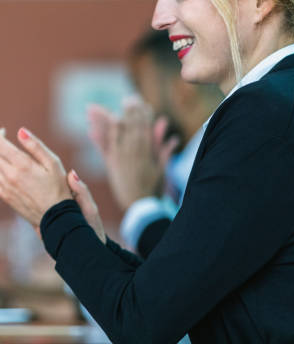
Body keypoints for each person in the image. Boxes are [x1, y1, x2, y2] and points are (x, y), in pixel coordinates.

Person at [0, 0, 294, 340]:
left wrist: (55, 216)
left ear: (259, 4)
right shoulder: (288, 102)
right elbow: (182, 298)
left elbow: (142, 323)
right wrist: (91, 242)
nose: (160, 18)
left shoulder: (266, 114)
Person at [88, 30, 223, 259]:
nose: (134, 105)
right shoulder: (177, 171)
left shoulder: (220, 165)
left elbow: (184, 276)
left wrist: (139, 201)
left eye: (140, 89)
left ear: (184, 89)